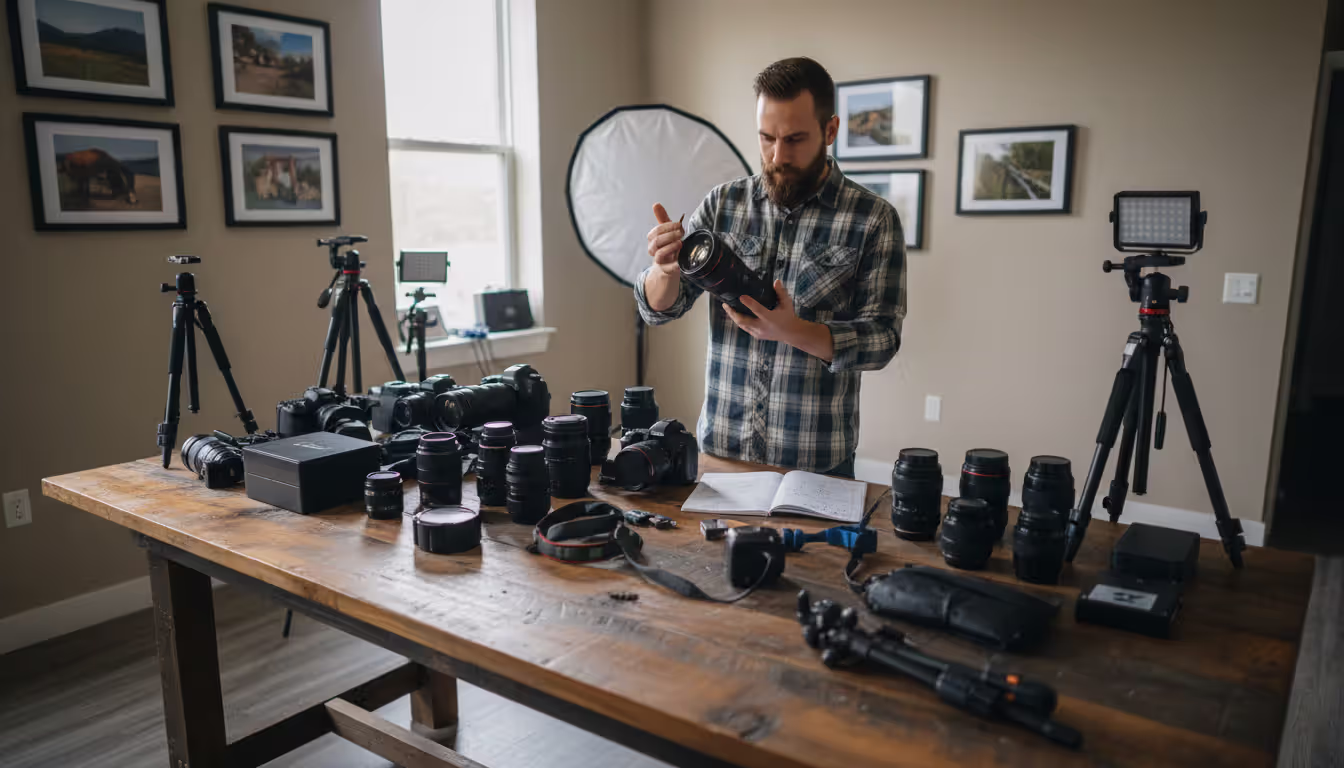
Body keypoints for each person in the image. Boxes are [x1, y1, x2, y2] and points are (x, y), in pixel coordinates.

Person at [634, 57, 907, 478]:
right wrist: (665, 272)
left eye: (795, 139)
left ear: (830, 130)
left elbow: (883, 339)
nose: (778, 155)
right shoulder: (722, 205)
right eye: (766, 138)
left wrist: (794, 332)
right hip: (721, 453)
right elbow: (658, 310)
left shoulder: (873, 218)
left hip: (816, 464)